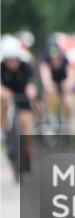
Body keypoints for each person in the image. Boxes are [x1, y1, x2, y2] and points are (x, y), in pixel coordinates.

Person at [2, 35, 36, 174]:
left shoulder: (26, 65)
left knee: (26, 121)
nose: (12, 63)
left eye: (14, 60)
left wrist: (31, 92)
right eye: (9, 61)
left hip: (23, 95)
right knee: (2, 104)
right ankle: (5, 132)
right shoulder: (1, 67)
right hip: (7, 95)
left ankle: (27, 151)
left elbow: (31, 85)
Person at [39, 40, 75, 134]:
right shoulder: (45, 61)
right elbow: (46, 78)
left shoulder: (66, 61)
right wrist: (49, 85)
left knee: (69, 103)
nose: (56, 60)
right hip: (52, 87)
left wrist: (68, 84)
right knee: (48, 97)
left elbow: (72, 76)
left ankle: (70, 131)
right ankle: (47, 121)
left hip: (63, 86)